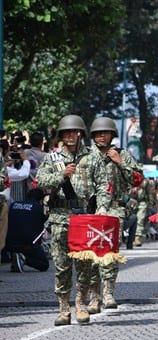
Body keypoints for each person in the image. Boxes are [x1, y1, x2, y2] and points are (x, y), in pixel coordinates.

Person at [36, 114, 111, 326]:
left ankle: (80, 303)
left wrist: (102, 208)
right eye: (66, 133)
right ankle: (63, 308)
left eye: (73, 132)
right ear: (61, 135)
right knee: (62, 266)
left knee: (85, 264)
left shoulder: (93, 157)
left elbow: (103, 185)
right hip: (60, 218)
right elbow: (40, 181)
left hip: (84, 218)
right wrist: (62, 176)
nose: (70, 136)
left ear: (80, 134)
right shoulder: (53, 158)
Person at [87, 117, 142, 313]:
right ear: (93, 136)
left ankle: (108, 292)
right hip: (91, 210)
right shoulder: (86, 155)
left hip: (114, 209)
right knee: (92, 254)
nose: (102, 136)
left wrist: (120, 163)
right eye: (98, 133)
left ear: (112, 135)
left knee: (110, 251)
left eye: (105, 132)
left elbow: (137, 179)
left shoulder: (122, 154)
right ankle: (94, 296)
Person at [5, 187, 49, 272]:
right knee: (44, 264)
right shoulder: (39, 209)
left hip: (9, 244)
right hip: (28, 245)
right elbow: (46, 223)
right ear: (41, 200)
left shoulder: (14, 205)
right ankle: (23, 258)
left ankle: (16, 258)